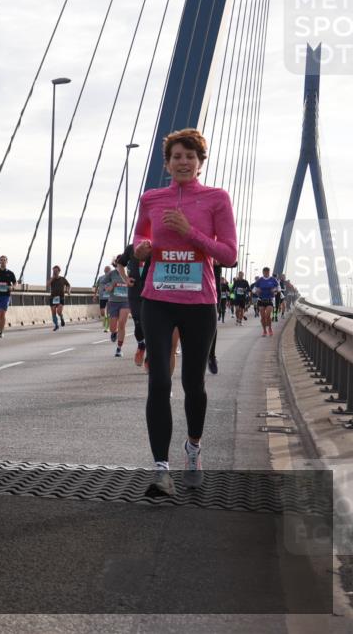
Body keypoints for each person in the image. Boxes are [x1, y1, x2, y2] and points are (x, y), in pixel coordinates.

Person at [132, 128, 236, 497]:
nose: (183, 162)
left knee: (193, 384)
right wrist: (142, 249)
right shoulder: (151, 198)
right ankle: (161, 468)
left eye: (190, 156)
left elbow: (228, 255)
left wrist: (190, 232)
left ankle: (193, 449)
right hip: (157, 300)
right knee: (159, 379)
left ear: (200, 162)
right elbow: (140, 237)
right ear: (167, 162)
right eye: (176, 156)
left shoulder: (216, 199)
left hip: (199, 304)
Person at [116, 243, 150, 367]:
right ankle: (141, 345)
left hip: (153, 292)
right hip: (135, 292)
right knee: (138, 324)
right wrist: (125, 279)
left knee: (152, 325)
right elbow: (120, 264)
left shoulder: (158, 244)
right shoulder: (131, 248)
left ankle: (150, 357)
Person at [103, 257, 130, 357]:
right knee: (113, 327)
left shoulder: (129, 272)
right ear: (116, 263)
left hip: (126, 302)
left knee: (122, 324)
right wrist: (110, 287)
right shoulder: (112, 274)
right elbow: (104, 283)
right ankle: (114, 332)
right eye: (119, 262)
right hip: (113, 302)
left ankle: (119, 349)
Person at [0, 255, 16, 338]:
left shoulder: (10, 273)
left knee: (2, 314)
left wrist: (12, 287)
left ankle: (1, 331)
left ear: (6, 262)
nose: (2, 261)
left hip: (5, 296)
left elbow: (15, 283)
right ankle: (2, 322)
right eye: (1, 260)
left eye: (4, 260)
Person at [253, 267, 279, 336]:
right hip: (261, 300)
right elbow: (254, 290)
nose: (266, 273)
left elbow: (278, 288)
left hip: (269, 300)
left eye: (267, 272)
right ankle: (264, 331)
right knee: (263, 317)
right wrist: (257, 291)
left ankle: (270, 328)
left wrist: (274, 290)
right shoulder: (260, 280)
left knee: (267, 316)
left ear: (269, 272)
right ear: (263, 272)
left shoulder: (273, 279)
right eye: (265, 272)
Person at [47, 265, 70, 331]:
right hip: (53, 297)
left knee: (59, 312)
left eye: (56, 271)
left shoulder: (62, 279)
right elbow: (47, 285)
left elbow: (68, 285)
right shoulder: (52, 279)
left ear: (59, 271)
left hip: (60, 297)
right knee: (53, 312)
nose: (55, 272)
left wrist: (68, 291)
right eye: (54, 271)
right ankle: (56, 325)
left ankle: (61, 317)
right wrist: (52, 278)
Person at [94, 266, 112, 331]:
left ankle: (107, 325)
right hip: (102, 297)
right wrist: (95, 295)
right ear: (104, 271)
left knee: (108, 311)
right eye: (106, 270)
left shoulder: (112, 278)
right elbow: (96, 286)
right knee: (102, 312)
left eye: (108, 270)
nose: (107, 271)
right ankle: (105, 319)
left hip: (110, 297)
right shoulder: (100, 278)